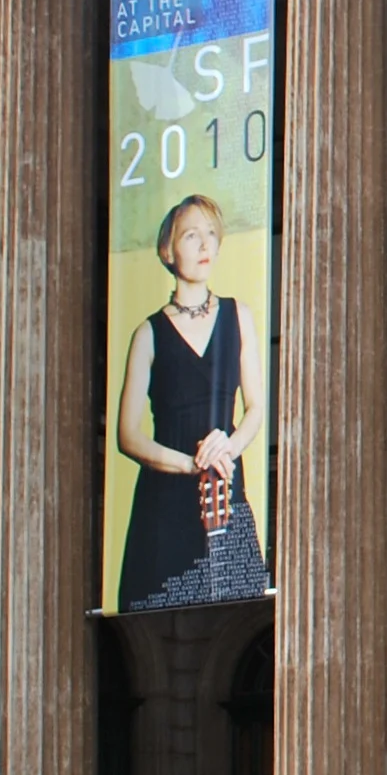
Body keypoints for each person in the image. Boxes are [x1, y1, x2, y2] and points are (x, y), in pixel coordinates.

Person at [112, 193, 268, 608]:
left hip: (226, 491)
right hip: (164, 505)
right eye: (191, 235)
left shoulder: (240, 315)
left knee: (241, 621)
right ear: (168, 249)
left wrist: (227, 449)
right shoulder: (147, 334)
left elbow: (256, 408)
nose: (204, 245)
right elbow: (128, 436)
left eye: (211, 234)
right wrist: (189, 464)